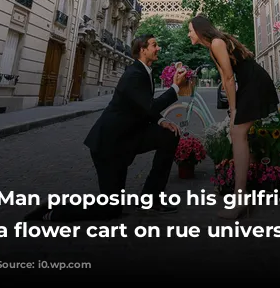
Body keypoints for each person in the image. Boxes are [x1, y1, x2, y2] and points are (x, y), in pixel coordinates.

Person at [23, 34, 186, 222]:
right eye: (154, 45)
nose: (158, 48)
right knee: (110, 209)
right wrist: (175, 87)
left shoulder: (143, 71)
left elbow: (142, 107)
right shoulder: (134, 74)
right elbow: (148, 106)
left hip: (126, 139)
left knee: (168, 135)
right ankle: (54, 210)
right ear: (142, 49)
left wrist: (160, 121)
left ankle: (151, 198)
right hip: (109, 147)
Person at [188, 14, 278, 219]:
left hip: (254, 84)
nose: (188, 34)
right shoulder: (215, 45)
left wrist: (234, 109)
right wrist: (233, 108)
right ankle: (241, 197)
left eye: (190, 30)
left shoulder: (217, 43)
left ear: (200, 30)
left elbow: (228, 78)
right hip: (251, 83)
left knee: (237, 133)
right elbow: (225, 76)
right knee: (238, 134)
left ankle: (241, 199)